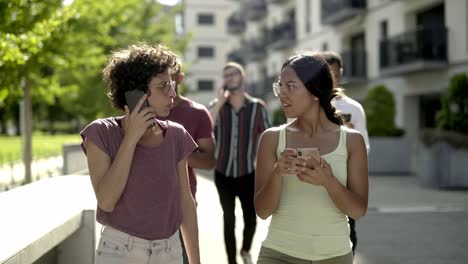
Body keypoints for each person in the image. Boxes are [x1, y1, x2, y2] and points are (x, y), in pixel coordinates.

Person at [80, 43, 200, 264]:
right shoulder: (100, 133)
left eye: (172, 84)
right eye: (164, 86)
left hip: (170, 252)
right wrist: (131, 138)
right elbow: (106, 201)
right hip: (119, 252)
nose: (172, 93)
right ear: (136, 91)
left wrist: (195, 262)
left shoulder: (176, 136)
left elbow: (186, 201)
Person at [254, 52, 368, 264]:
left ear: (315, 91)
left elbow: (358, 211)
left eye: (291, 86)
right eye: (280, 86)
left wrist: (328, 182)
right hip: (278, 255)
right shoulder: (271, 139)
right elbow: (262, 211)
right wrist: (278, 173)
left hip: (334, 256)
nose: (281, 94)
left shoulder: (352, 141)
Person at [209, 62, 270, 264]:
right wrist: (218, 102)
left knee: (251, 218)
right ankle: (231, 261)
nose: (230, 77)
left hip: (248, 173)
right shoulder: (217, 107)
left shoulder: (257, 107)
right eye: (226, 75)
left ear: (242, 77)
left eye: (234, 73)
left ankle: (245, 250)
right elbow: (206, 127)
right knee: (228, 219)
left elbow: (269, 137)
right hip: (223, 173)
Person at [158, 58, 216, 264]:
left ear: (180, 78)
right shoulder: (146, 109)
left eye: (170, 77)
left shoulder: (197, 113)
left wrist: (176, 154)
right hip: (145, 204)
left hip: (181, 203)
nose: (165, 84)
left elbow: (209, 160)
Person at [321, 50, 370, 254]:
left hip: (346, 181)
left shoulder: (354, 108)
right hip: (315, 180)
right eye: (327, 72)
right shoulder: (308, 105)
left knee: (348, 231)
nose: (332, 78)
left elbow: (364, 146)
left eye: (335, 73)